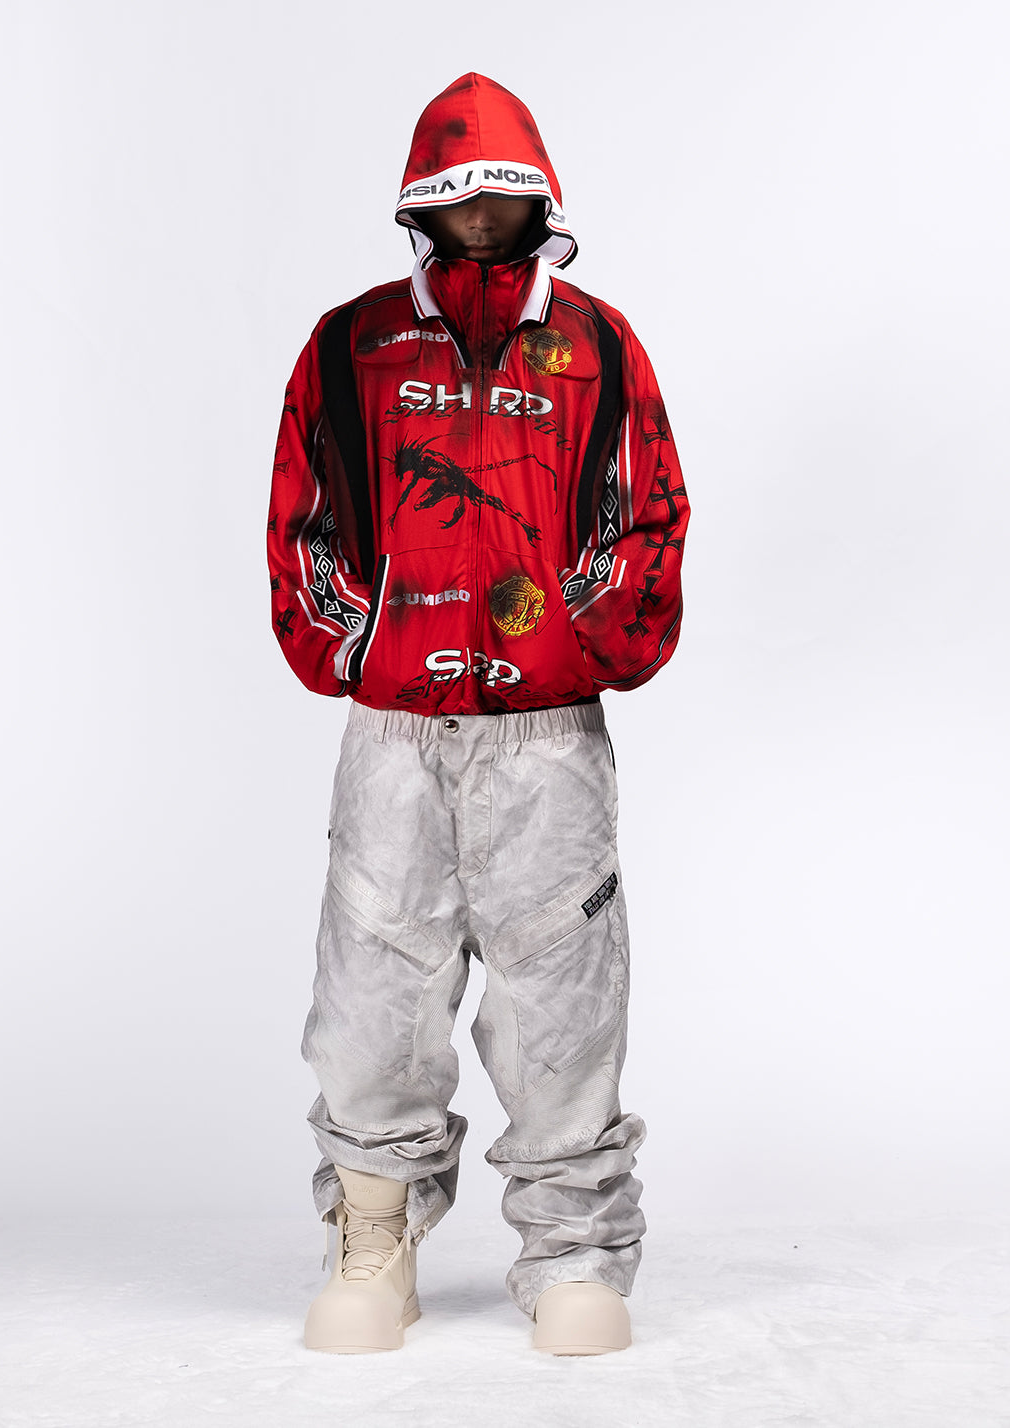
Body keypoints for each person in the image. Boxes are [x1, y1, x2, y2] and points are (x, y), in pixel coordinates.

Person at [267, 73, 689, 1356]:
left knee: (562, 996)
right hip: (394, 733)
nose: (486, 213)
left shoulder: (597, 345)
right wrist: (354, 644)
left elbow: (648, 510)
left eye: (507, 191)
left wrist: (580, 639)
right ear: (423, 202)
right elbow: (304, 512)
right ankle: (372, 1236)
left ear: (541, 196)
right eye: (462, 194)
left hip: (546, 734)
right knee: (371, 987)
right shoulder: (351, 345)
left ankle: (574, 1253)